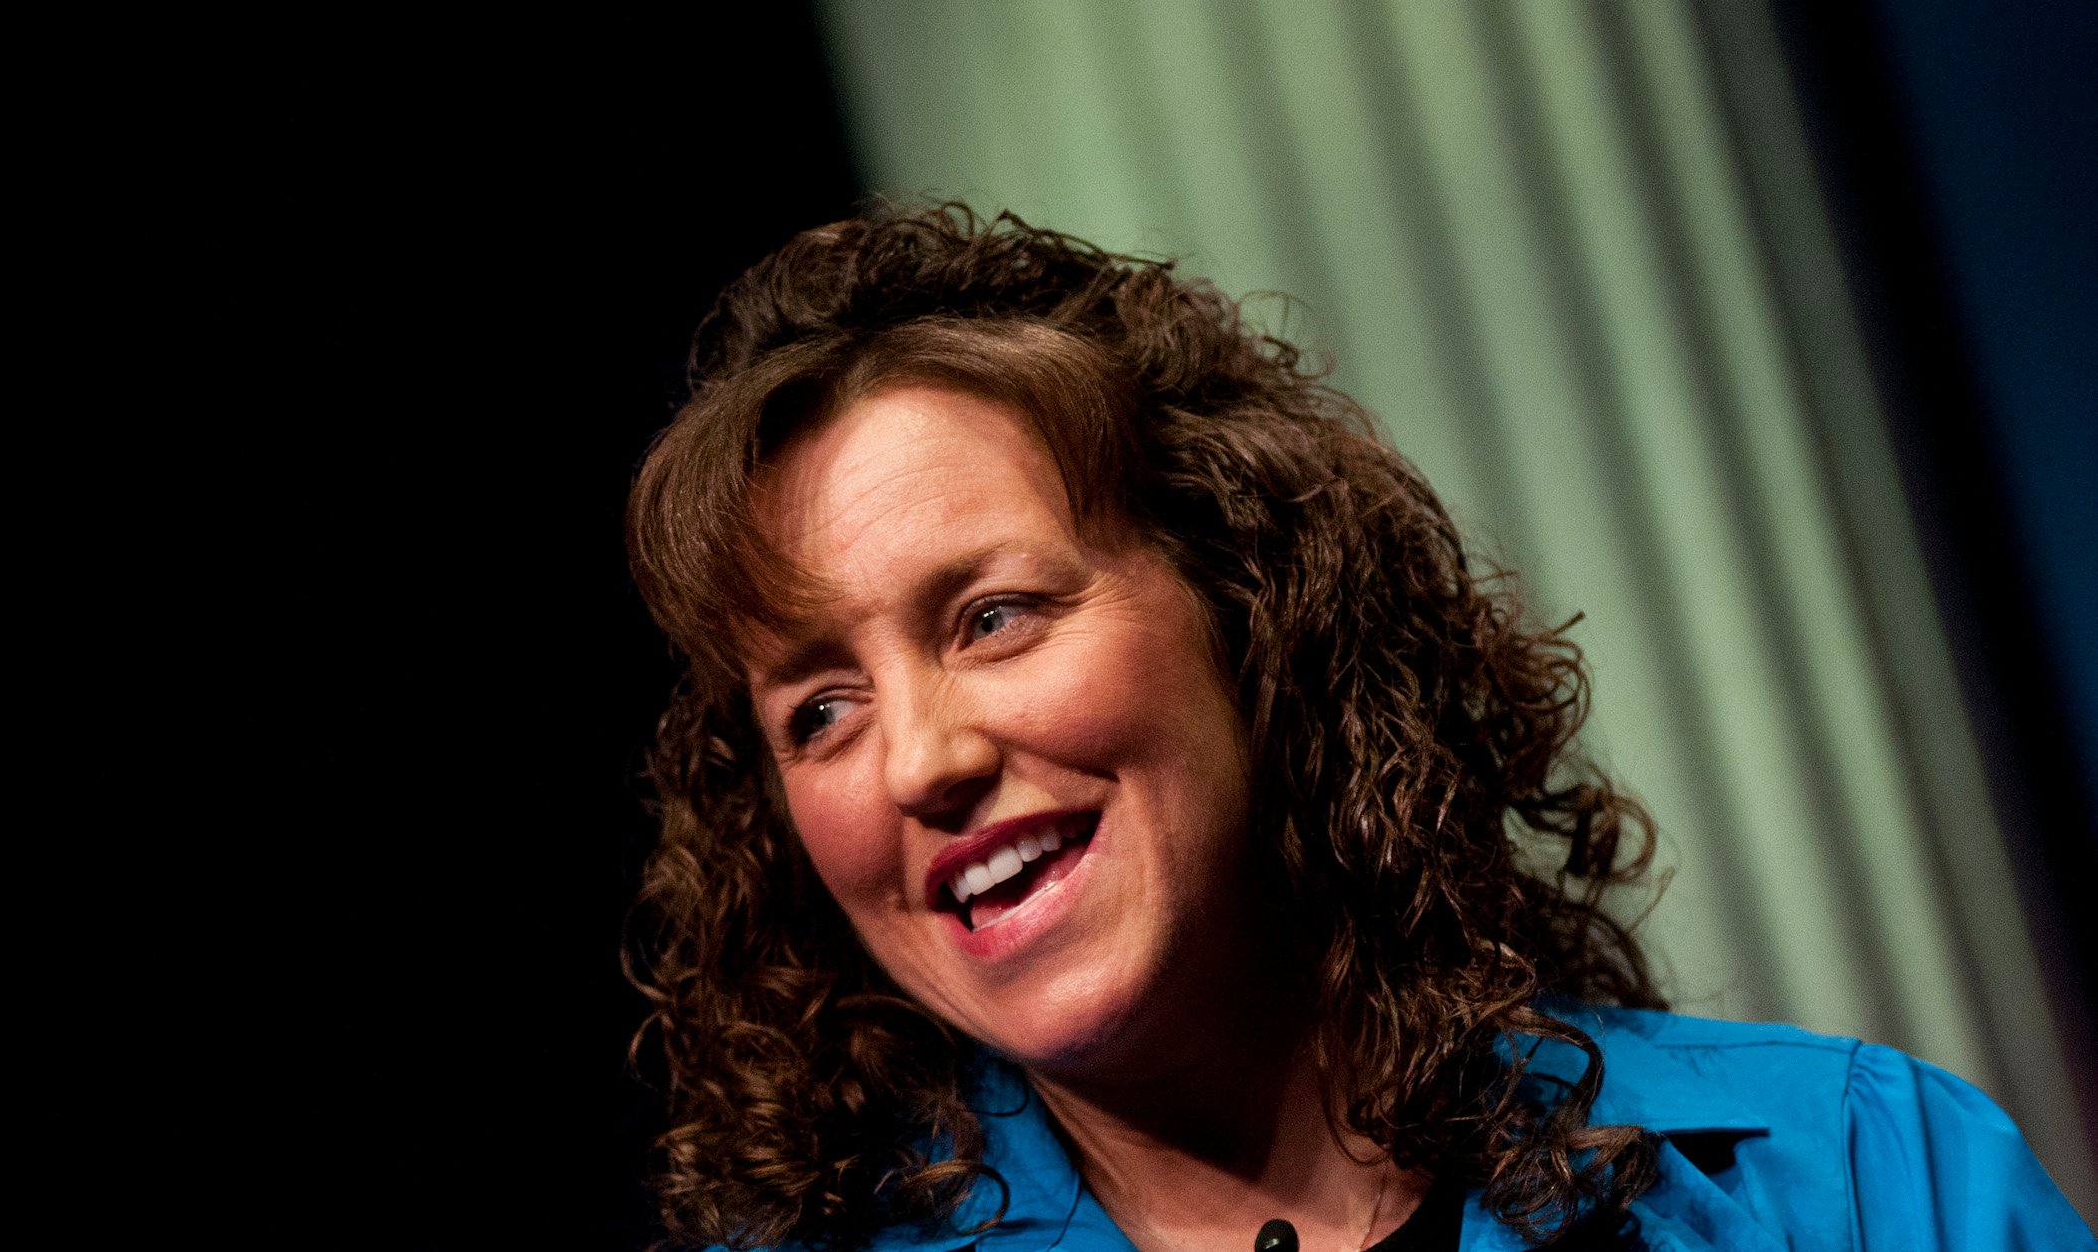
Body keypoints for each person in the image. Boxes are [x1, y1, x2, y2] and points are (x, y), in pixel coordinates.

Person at [624, 206, 2089, 1250]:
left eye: (993, 616)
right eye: (820, 709)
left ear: (1251, 609)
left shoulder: (1868, 1181)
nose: (921, 758)